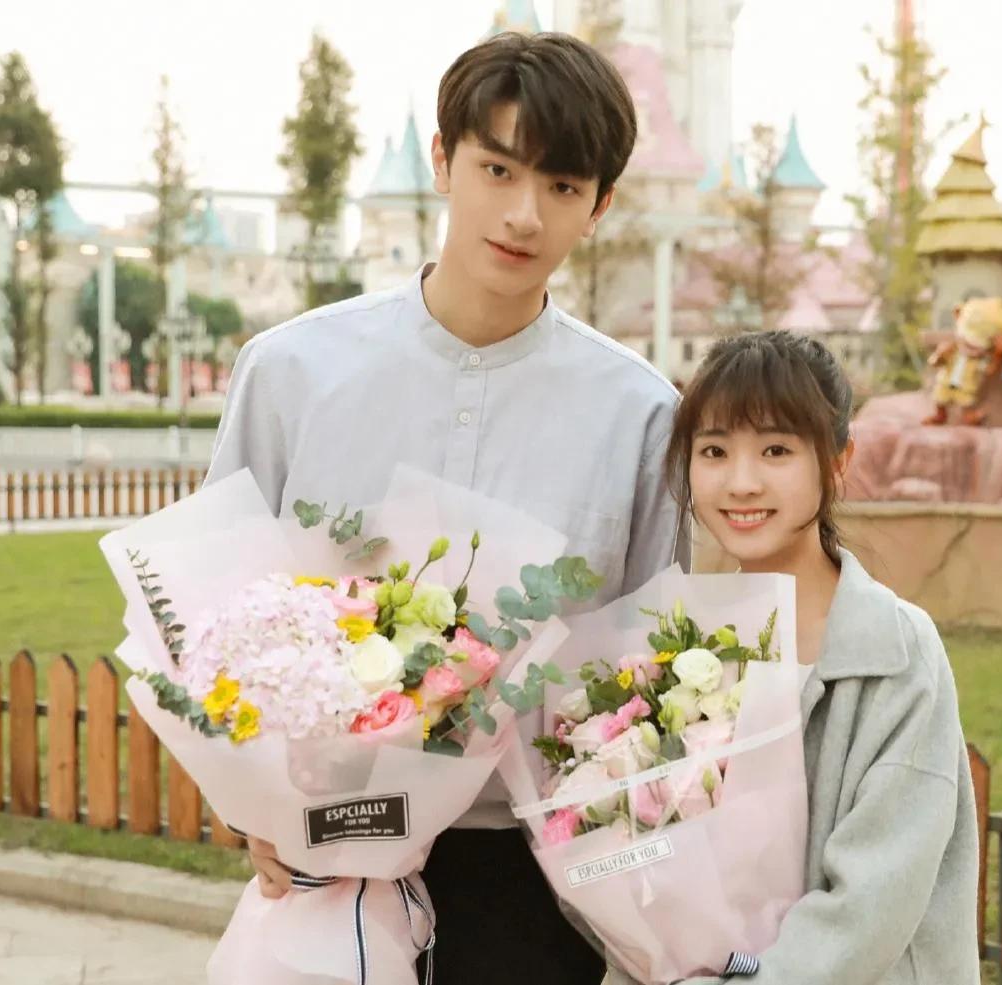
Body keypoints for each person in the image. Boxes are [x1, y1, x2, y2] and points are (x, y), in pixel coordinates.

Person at [203, 31, 682, 985]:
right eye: (496, 168)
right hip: (322, 855)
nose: (522, 214)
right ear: (441, 160)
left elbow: (644, 664)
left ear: (599, 206)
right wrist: (244, 797)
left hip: (534, 876)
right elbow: (216, 608)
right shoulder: (292, 372)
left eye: (562, 185)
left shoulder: (638, 413)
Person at [620, 331, 980, 984]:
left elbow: (871, 902)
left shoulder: (894, 652)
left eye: (776, 450)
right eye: (714, 451)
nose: (741, 482)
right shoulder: (675, 652)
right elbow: (627, 858)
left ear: (838, 462)